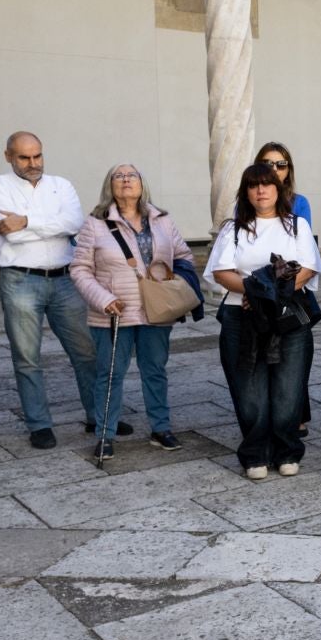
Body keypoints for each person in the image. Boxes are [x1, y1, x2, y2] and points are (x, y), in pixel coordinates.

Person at [0, 131, 123, 449]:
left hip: (65, 279)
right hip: (20, 280)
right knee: (27, 357)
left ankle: (99, 418)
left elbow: (74, 223)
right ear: (8, 156)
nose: (33, 163)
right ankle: (39, 424)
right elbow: (13, 237)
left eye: (38, 156)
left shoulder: (62, 185)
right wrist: (47, 223)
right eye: (24, 157)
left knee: (86, 351)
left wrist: (27, 221)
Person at [208, 161, 321, 480]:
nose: (261, 190)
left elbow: (309, 268)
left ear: (278, 189)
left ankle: (286, 450)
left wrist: (271, 295)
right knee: (249, 388)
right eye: (254, 185)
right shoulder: (233, 229)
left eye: (267, 184)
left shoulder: (296, 225)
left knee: (288, 386)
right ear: (246, 192)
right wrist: (254, 291)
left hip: (288, 317)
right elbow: (221, 271)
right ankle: (255, 452)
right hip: (240, 315)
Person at [70, 163, 189, 461]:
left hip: (155, 311)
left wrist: (177, 285)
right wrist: (102, 298)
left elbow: (184, 256)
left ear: (142, 183)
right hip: (113, 313)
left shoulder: (162, 220)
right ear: (109, 185)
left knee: (155, 371)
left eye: (131, 175)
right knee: (110, 374)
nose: (126, 180)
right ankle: (105, 434)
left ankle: (160, 428)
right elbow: (80, 269)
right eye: (118, 176)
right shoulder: (95, 223)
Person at [256, 141, 315, 435]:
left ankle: (297, 414)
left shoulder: (298, 202)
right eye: (268, 163)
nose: (274, 170)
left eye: (281, 164)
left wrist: (284, 289)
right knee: (263, 355)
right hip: (259, 292)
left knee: (294, 357)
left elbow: (303, 253)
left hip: (292, 290)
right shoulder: (247, 201)